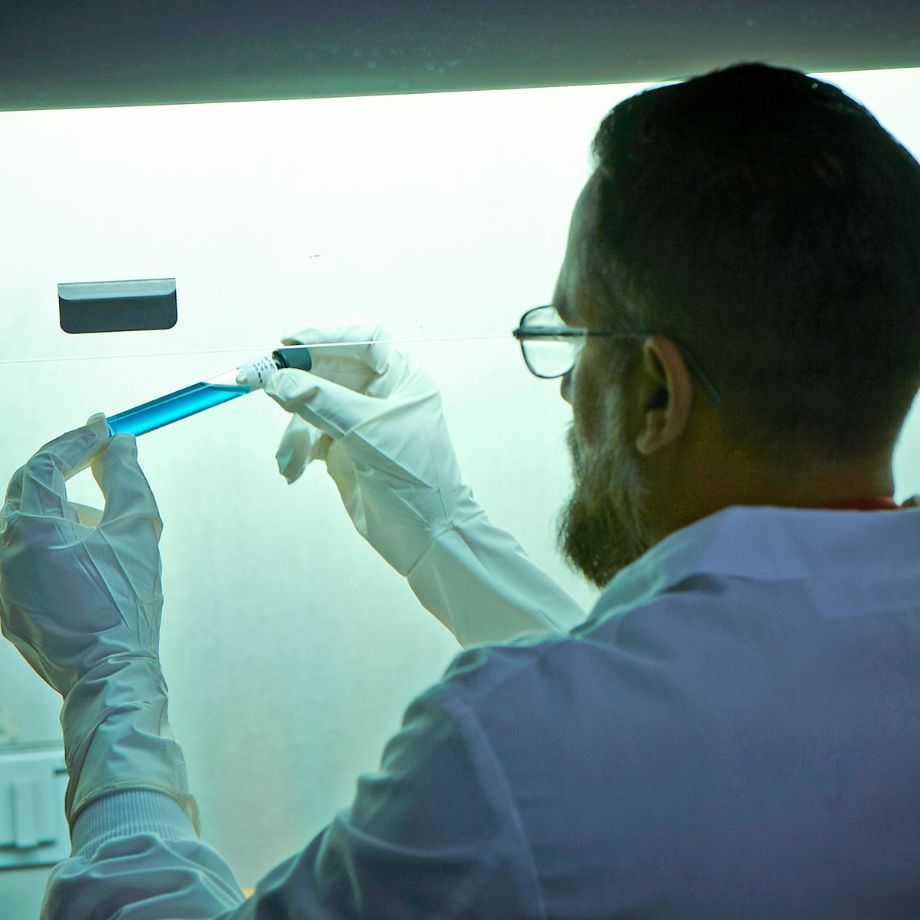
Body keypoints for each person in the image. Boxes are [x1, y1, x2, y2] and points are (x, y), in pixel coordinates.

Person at [3, 59, 920, 918]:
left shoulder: (506, 762)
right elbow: (708, 731)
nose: (564, 389)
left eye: (573, 338)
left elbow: (587, 770)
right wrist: (446, 533)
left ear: (657, 393)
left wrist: (109, 680)